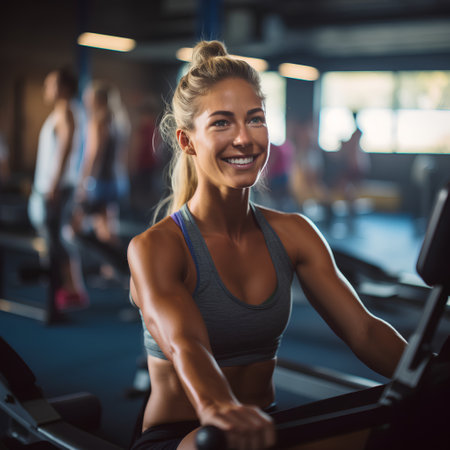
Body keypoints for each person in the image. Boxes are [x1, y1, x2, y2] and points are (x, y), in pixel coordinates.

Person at [127, 40, 407, 450]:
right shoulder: (157, 247)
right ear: (187, 141)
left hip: (265, 428)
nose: (245, 138)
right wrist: (218, 406)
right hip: (185, 437)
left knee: (403, 430)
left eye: (255, 119)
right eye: (222, 123)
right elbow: (185, 344)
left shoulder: (294, 233)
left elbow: (363, 331)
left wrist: (432, 374)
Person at [28, 67, 87, 310]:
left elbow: (65, 149)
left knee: (56, 241)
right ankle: (70, 288)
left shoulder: (67, 113)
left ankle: (71, 289)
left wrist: (53, 185)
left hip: (57, 188)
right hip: (54, 186)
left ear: (64, 88)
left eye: (50, 84)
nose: (46, 89)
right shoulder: (63, 112)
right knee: (54, 239)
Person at [72, 80, 131, 277]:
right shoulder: (119, 120)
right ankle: (114, 268)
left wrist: (84, 183)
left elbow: (93, 154)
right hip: (118, 180)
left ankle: (118, 266)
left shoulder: (98, 120)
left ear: (97, 99)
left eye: (88, 97)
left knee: (76, 226)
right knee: (106, 227)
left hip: (100, 183)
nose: (85, 100)